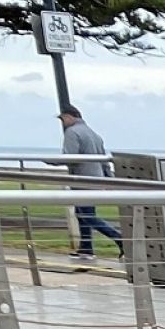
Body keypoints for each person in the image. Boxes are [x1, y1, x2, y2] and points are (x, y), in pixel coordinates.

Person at [55, 106, 122, 261]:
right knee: (82, 214)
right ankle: (86, 248)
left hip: (81, 181)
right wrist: (109, 179)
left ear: (69, 117)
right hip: (95, 180)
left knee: (87, 215)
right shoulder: (94, 135)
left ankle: (118, 238)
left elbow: (69, 157)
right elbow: (104, 162)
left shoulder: (72, 132)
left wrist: (48, 160)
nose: (63, 123)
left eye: (63, 119)